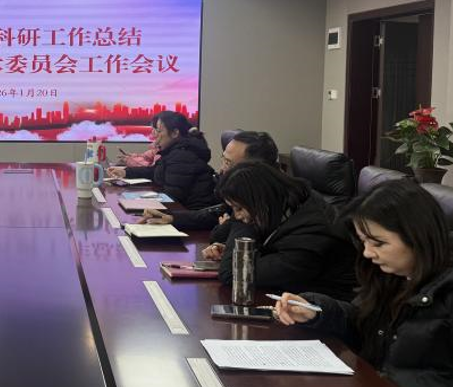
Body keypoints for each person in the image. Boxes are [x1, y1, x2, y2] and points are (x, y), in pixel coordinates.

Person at [275, 180, 453, 387]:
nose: (368, 253)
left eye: (379, 243)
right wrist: (316, 311)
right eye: (364, 242)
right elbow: (362, 325)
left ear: (418, 236)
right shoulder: (390, 275)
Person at [201, 161, 357, 300]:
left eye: (239, 208)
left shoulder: (312, 235)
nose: (237, 216)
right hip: (290, 300)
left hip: (322, 315)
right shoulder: (292, 204)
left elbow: (234, 275)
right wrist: (239, 249)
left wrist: (243, 234)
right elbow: (218, 234)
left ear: (261, 201)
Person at [138, 130, 279, 230]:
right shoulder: (239, 196)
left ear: (254, 169)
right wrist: (172, 218)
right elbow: (218, 213)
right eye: (223, 159)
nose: (221, 169)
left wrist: (223, 233)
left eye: (228, 163)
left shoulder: (268, 208)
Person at [107, 111, 217, 210]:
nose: (155, 136)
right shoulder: (174, 151)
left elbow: (172, 198)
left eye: (159, 131)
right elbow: (155, 171)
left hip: (191, 216)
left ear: (175, 133)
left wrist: (138, 200)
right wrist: (125, 172)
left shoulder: (182, 155)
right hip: (183, 212)